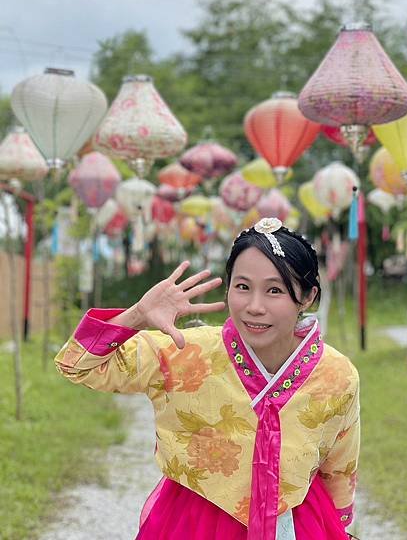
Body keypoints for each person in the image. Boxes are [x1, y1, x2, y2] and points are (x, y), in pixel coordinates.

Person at [55, 217, 360, 540]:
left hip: (296, 523)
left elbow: (339, 469)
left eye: (275, 290)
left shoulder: (336, 374)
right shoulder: (185, 351)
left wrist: (338, 526)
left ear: (308, 296)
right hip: (194, 523)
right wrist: (137, 316)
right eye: (242, 287)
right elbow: (78, 364)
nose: (254, 307)